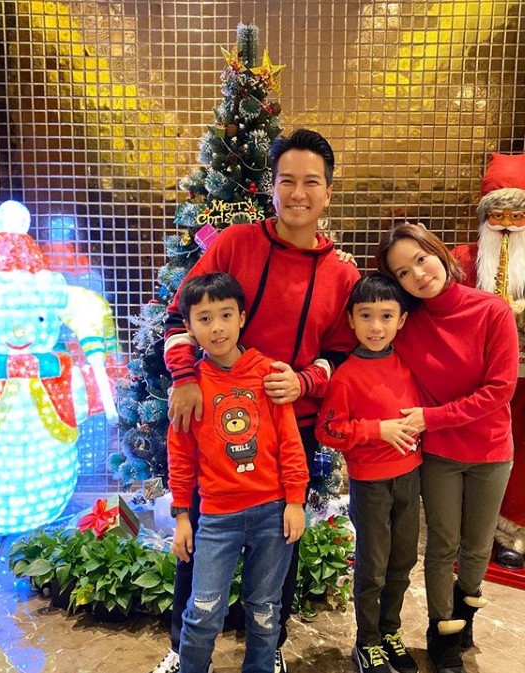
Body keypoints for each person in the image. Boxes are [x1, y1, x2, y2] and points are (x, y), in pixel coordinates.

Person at [153, 128, 360, 673]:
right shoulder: (235, 244)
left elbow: (342, 352)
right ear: (271, 187)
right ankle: (182, 647)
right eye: (286, 180)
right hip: (214, 415)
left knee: (282, 543)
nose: (298, 193)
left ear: (328, 191)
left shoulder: (342, 274)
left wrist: (304, 382)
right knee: (200, 538)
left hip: (291, 424)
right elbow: (179, 314)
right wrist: (185, 378)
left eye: (310, 182)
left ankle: (270, 649)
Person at [376, 223, 519, 673]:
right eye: (403, 273)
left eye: (421, 259)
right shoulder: (407, 324)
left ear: (438, 252)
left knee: (476, 547)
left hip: (490, 450)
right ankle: (442, 633)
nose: (418, 275)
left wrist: (432, 417)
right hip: (439, 454)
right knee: (442, 545)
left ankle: (464, 617)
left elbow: (500, 389)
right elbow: (363, 327)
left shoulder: (492, 310)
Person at [168, 272, 309, 673]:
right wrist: (182, 515)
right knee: (203, 610)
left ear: (242, 318)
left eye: (226, 315)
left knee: (265, 610)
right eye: (205, 318)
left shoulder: (268, 374)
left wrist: (295, 501)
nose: (217, 328)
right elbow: (180, 455)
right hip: (217, 518)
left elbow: (289, 441)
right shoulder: (189, 388)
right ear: (190, 327)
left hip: (272, 513)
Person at [316, 273, 422, 673]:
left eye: (386, 316)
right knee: (373, 567)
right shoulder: (346, 376)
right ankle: (368, 640)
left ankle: (390, 631)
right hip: (371, 483)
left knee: (403, 561)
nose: (376, 326)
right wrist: (377, 430)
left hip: (410, 477)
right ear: (351, 320)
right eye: (365, 315)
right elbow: (327, 430)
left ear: (402, 320)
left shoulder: (408, 364)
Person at [451, 152, 525, 571]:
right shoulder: (464, 259)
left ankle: (514, 528)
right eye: (498, 216)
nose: (508, 225)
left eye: (518, 217)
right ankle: (472, 528)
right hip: (476, 381)